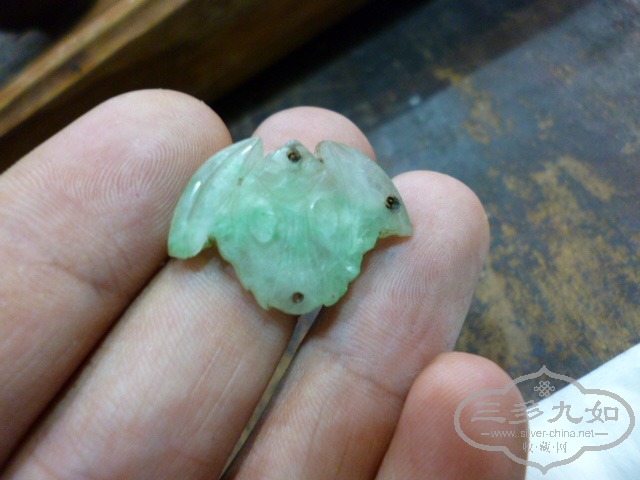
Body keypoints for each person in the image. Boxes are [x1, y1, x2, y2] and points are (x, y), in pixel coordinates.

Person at [0, 90, 526, 479]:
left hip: (308, 264)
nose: (293, 152)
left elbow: (390, 216)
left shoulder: (320, 194)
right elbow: (188, 238)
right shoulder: (243, 192)